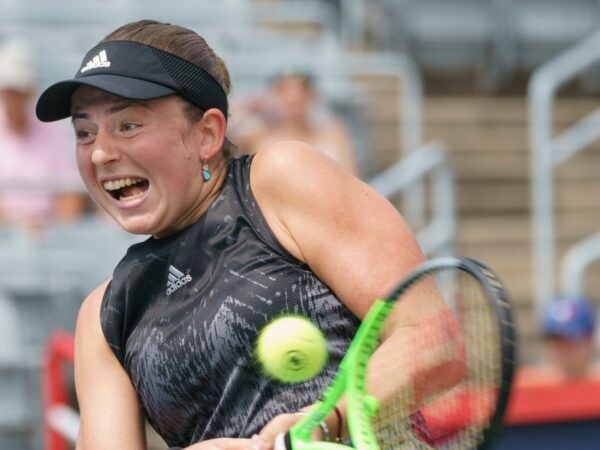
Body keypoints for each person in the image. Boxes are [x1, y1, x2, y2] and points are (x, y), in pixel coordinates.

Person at [35, 20, 462, 450]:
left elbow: (432, 340)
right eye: (84, 133)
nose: (102, 153)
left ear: (207, 134)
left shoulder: (281, 179)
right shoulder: (105, 315)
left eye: (128, 126)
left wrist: (329, 419)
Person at [0, 39, 88, 232]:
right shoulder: (54, 130)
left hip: (47, 233)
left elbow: (70, 194)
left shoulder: (53, 132)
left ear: (29, 92)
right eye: (10, 92)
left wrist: (55, 233)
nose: (14, 99)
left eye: (19, 91)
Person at [229, 68, 359, 176]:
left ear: (312, 95)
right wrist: (247, 105)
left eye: (302, 91)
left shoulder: (333, 132)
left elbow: (353, 178)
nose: (293, 97)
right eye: (283, 90)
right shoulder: (258, 135)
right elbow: (222, 143)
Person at [540, 295, 598, 379]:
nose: (564, 352)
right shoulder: (534, 386)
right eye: (557, 343)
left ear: (590, 341)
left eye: (570, 342)